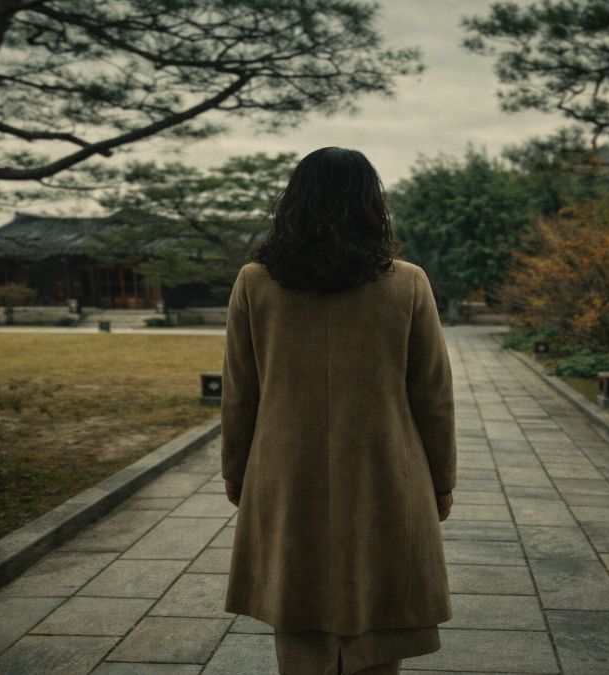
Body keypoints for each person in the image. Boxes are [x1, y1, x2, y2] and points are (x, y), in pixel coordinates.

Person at [220, 146, 457, 675]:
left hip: (286, 471)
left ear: (294, 204)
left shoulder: (255, 282)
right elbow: (433, 395)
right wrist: (441, 479)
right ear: (372, 205)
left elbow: (240, 393)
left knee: (298, 609)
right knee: (378, 612)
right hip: (384, 469)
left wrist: (235, 472)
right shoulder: (408, 282)